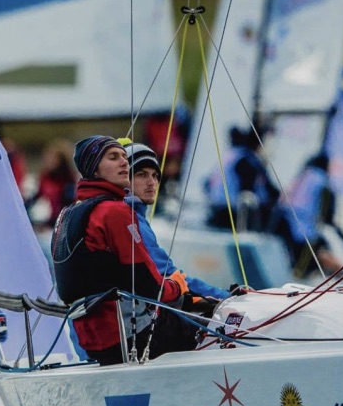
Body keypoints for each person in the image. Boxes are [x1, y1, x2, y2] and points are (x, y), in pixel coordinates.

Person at [51, 135, 202, 366]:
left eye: (124, 157)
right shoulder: (114, 212)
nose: (124, 163)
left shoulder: (68, 214)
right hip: (130, 337)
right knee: (210, 325)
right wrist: (178, 286)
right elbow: (151, 287)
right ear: (94, 169)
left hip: (92, 341)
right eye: (113, 157)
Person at [124, 140, 231, 300]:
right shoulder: (130, 220)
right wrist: (224, 296)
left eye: (155, 175)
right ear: (125, 178)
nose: (151, 182)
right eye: (142, 174)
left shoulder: (131, 214)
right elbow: (168, 275)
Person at [277, 151, 343, 276]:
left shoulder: (301, 175)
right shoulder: (322, 180)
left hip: (285, 226)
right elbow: (328, 210)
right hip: (306, 232)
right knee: (321, 252)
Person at [205, 125, 280, 232]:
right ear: (260, 144)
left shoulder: (230, 155)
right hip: (231, 214)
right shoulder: (248, 161)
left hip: (216, 208)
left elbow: (207, 183)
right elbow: (250, 190)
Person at [26, 138, 77, 228]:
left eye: (52, 158)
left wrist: (50, 223)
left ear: (60, 161)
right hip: (52, 220)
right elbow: (36, 196)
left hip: (64, 222)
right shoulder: (45, 177)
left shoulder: (68, 179)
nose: (47, 161)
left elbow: (68, 206)